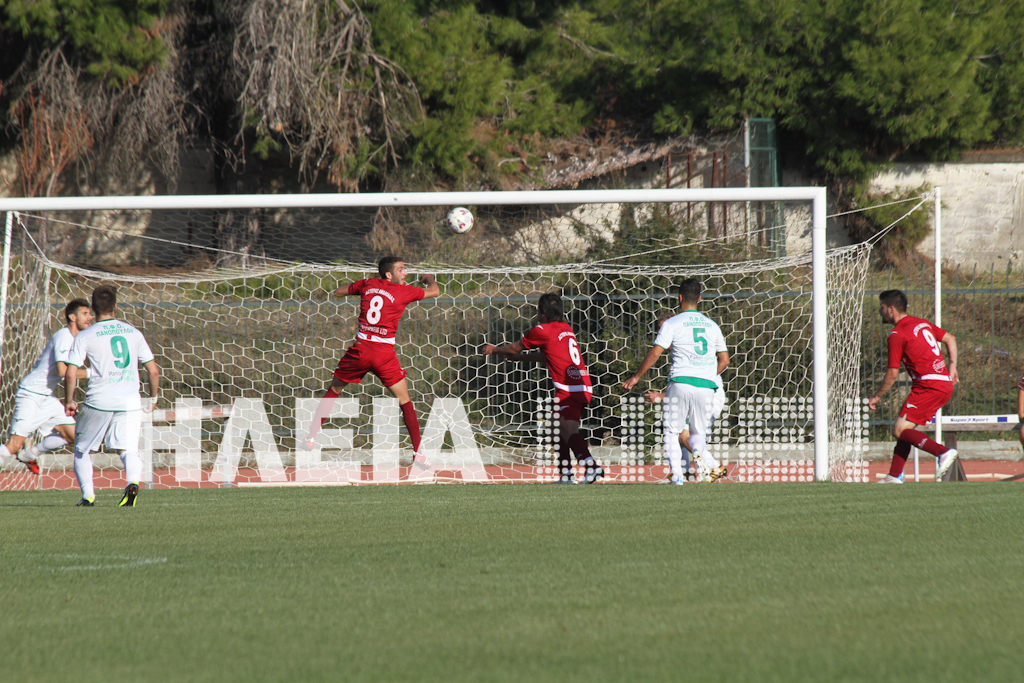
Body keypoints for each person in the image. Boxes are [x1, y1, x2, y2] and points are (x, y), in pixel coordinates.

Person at [304, 256, 439, 466]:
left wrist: (356, 290)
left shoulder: (368, 284)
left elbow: (340, 291)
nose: (405, 273)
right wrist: (429, 279)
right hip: (384, 354)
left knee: (335, 390)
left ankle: (311, 437)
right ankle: (418, 453)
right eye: (401, 270)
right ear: (389, 274)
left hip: (361, 350)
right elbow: (435, 292)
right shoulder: (404, 291)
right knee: (404, 400)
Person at [482, 292, 604, 484]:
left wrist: (494, 349)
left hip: (569, 389)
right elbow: (547, 355)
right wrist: (522, 359)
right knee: (556, 428)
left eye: (538, 311)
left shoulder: (541, 330)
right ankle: (566, 475)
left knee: (568, 428)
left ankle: (591, 466)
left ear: (542, 314)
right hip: (580, 384)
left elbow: (515, 347)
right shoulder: (565, 328)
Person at [623, 277, 729, 484]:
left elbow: (655, 353)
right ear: (699, 298)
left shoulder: (672, 323)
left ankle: (679, 476)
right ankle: (702, 469)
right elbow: (725, 360)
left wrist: (636, 376)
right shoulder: (712, 325)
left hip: (680, 382)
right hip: (707, 386)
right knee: (696, 433)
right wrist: (707, 373)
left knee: (672, 431)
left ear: (679, 297)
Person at [64, 285, 160, 507]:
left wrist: (70, 399)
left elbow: (70, 373)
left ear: (94, 309)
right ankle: (132, 483)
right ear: (116, 307)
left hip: (99, 401)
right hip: (129, 401)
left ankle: (88, 496)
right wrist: (153, 398)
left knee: (81, 450)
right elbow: (153, 370)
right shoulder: (134, 333)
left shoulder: (86, 335)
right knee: (128, 449)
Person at [867, 289, 959, 483]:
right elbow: (950, 338)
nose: (880, 312)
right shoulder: (922, 323)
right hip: (942, 383)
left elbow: (892, 374)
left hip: (928, 385)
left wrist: (877, 396)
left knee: (900, 429)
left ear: (891, 309)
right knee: (905, 428)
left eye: (881, 308)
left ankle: (943, 452)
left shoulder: (897, 334)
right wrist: (952, 366)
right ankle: (894, 475)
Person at [0, 299, 93, 474]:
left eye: (90, 313)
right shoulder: (64, 336)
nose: (90, 317)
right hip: (31, 395)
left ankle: (29, 454)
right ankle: (21, 451)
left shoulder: (76, 340)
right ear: (72, 317)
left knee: (73, 435)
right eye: (85, 314)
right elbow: (63, 371)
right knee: (14, 445)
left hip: (46, 397)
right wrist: (92, 373)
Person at [645, 373, 727, 481]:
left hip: (706, 392)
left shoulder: (697, 366)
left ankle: (714, 466)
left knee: (682, 435)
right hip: (702, 391)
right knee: (680, 432)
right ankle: (685, 471)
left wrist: (660, 396)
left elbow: (724, 360)